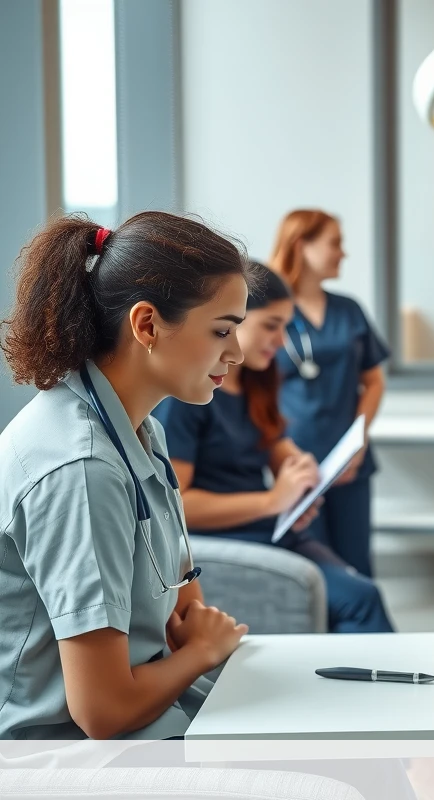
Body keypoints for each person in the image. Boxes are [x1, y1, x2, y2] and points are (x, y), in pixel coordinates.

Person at [0, 212, 253, 739]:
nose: (237, 353)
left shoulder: (141, 432)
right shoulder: (81, 470)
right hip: (62, 756)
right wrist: (202, 652)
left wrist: (198, 644)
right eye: (222, 330)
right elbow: (104, 711)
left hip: (157, 714)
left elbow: (183, 612)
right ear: (147, 325)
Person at [153, 263, 394, 634]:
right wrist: (272, 501)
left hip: (266, 529)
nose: (282, 341)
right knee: (360, 600)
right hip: (231, 539)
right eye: (271, 326)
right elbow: (178, 504)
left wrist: (302, 472)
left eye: (286, 327)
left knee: (359, 589)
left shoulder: (256, 381)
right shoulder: (189, 397)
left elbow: (276, 443)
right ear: (234, 321)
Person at [269, 210, 388, 577]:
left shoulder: (349, 310)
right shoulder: (270, 313)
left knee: (356, 564)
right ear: (301, 246)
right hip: (296, 458)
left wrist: (359, 439)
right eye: (334, 243)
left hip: (350, 457)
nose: (343, 253)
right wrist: (279, 453)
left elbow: (374, 381)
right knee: (311, 568)